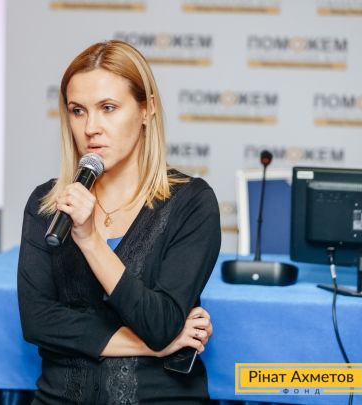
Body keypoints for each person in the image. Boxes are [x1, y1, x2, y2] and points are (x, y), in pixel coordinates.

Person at [17, 40, 221, 404]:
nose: (90, 127)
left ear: (147, 109)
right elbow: (38, 322)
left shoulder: (192, 203)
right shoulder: (48, 203)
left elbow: (160, 323)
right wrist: (150, 346)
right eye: (78, 111)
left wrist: (90, 240)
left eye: (108, 108)